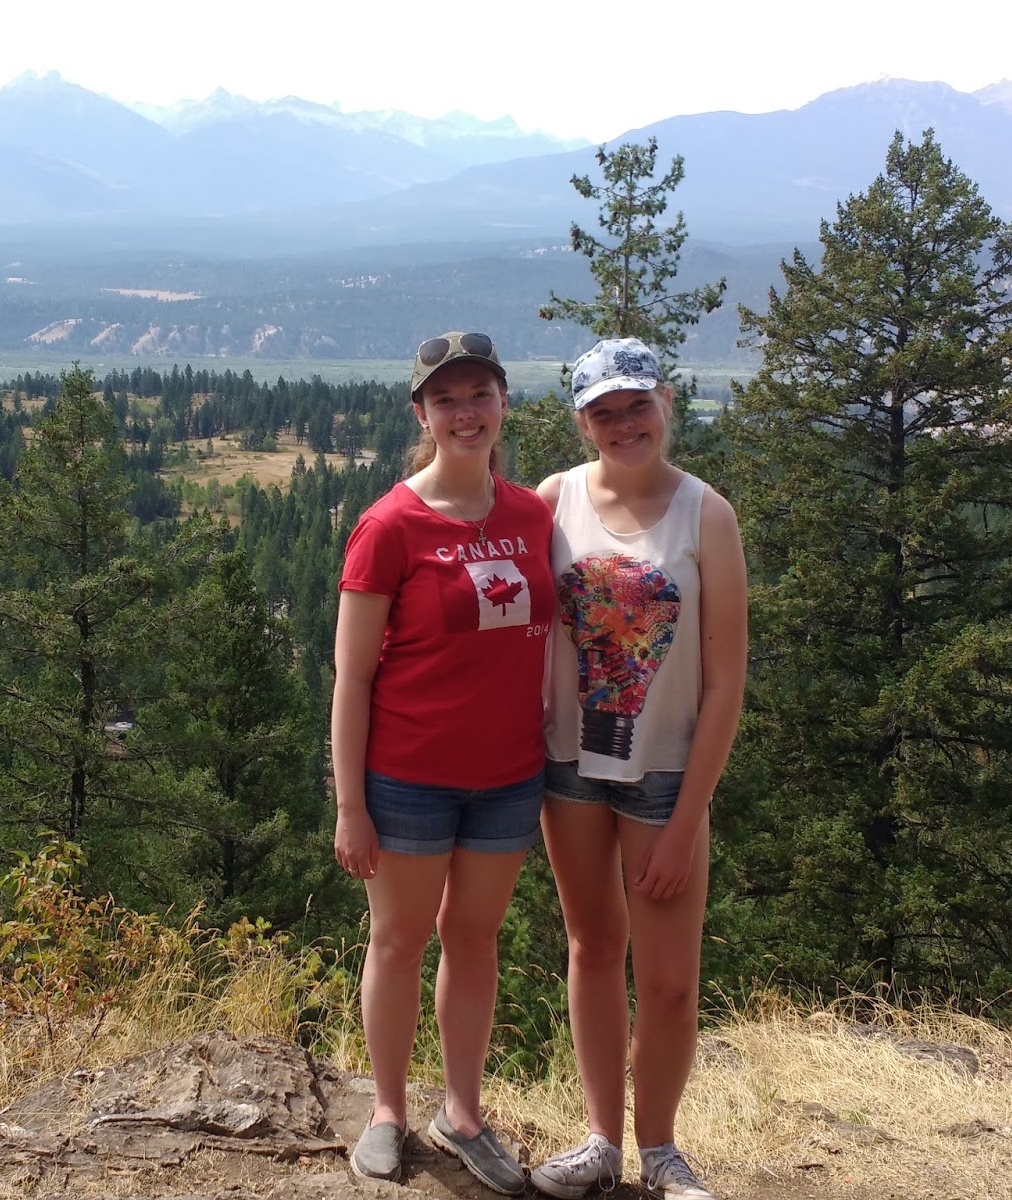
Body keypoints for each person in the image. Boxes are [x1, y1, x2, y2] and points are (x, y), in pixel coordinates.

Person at [332, 332, 555, 1196]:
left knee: (474, 940)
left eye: (480, 395)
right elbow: (353, 677)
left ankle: (462, 1115)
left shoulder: (531, 515)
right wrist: (350, 805)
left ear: (503, 406)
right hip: (409, 778)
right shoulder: (390, 526)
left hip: (509, 776)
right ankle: (387, 1112)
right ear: (421, 415)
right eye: (447, 400)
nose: (466, 413)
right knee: (398, 942)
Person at [529, 338, 748, 1200]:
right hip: (568, 765)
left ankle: (660, 1149)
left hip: (665, 777)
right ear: (582, 423)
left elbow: (725, 683)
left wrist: (688, 820)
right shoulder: (554, 500)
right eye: (604, 412)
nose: (624, 425)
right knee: (592, 949)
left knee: (668, 982)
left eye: (636, 406)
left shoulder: (706, 515)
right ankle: (601, 1142)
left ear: (666, 403)